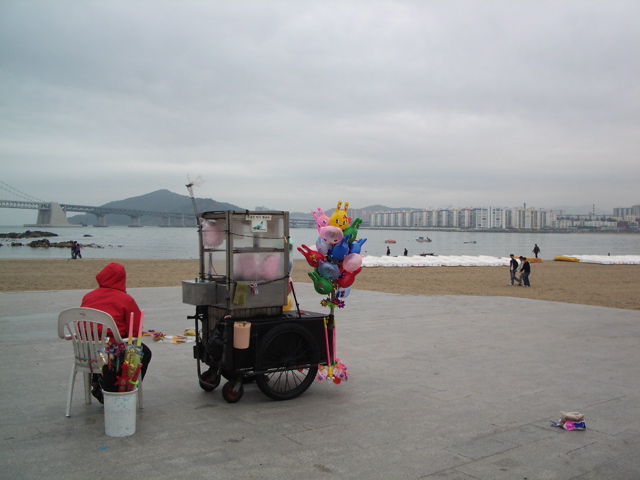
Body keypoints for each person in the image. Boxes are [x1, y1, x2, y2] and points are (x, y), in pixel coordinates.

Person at [81, 262, 152, 403]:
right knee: (144, 352)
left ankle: (98, 380)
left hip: (87, 352)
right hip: (113, 354)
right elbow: (135, 331)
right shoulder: (125, 299)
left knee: (103, 347)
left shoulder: (88, 297)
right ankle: (128, 390)